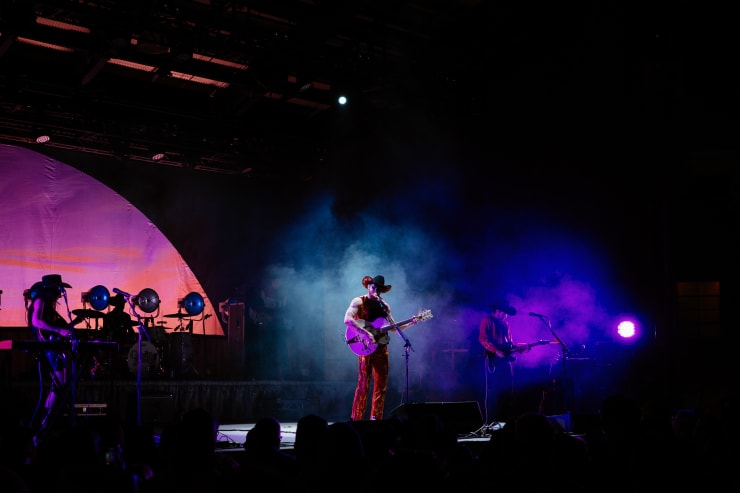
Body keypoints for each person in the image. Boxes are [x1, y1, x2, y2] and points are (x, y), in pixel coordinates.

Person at [344, 274, 413, 421]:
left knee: (381, 386)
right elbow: (347, 320)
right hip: (364, 347)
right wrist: (366, 333)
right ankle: (357, 420)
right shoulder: (359, 301)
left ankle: (376, 420)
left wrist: (411, 323)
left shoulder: (384, 306)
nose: (376, 291)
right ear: (368, 286)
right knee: (363, 384)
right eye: (374, 287)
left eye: (379, 289)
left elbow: (394, 328)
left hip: (381, 348)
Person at [26, 273, 84, 437]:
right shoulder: (40, 300)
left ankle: (47, 420)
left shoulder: (49, 306)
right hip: (48, 348)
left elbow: (54, 327)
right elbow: (36, 321)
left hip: (53, 347)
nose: (60, 293)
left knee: (59, 386)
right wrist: (59, 330)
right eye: (58, 289)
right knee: (58, 385)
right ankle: (44, 422)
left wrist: (69, 326)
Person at [478, 298, 529, 425]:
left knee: (506, 391)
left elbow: (509, 344)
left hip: (505, 362)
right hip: (492, 360)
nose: (506, 315)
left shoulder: (505, 324)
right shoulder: (487, 320)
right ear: (497, 311)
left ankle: (504, 421)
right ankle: (490, 422)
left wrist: (519, 349)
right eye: (504, 312)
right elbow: (483, 339)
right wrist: (496, 351)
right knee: (493, 392)